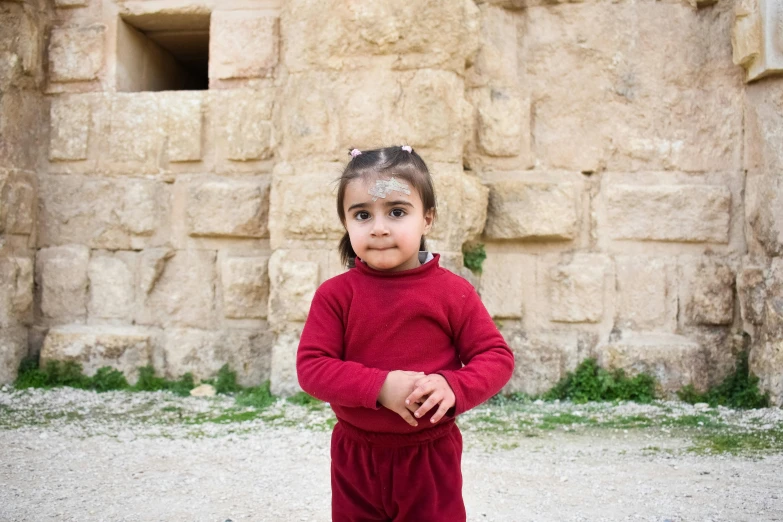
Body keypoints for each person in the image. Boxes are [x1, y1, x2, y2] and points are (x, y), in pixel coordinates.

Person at [296, 145, 515, 522]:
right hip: (355, 456)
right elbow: (312, 368)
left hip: (429, 457)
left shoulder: (453, 293)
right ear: (346, 224)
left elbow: (496, 357)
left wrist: (452, 386)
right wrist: (380, 386)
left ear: (426, 219)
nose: (379, 227)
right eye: (362, 214)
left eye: (397, 212)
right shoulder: (336, 296)